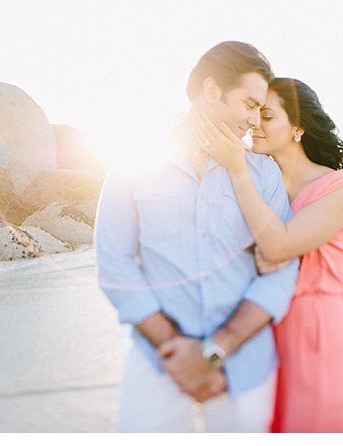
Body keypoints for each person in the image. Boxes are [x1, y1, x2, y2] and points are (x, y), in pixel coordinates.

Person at [94, 42, 299, 432]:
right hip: (159, 360)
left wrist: (216, 350)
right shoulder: (134, 164)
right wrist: (177, 351)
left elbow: (280, 271)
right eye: (250, 104)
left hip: (244, 364)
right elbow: (115, 263)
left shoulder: (264, 174)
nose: (255, 121)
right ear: (211, 91)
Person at [195, 77, 343, 432]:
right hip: (259, 329)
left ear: (298, 128)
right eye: (254, 111)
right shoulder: (264, 187)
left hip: (316, 330)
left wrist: (238, 170)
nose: (254, 123)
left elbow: (276, 246)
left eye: (269, 116)